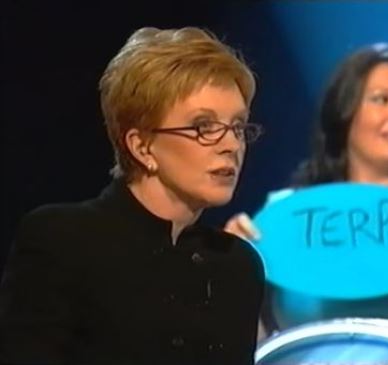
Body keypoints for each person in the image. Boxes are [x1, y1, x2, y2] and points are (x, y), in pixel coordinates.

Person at [0, 26, 265, 365]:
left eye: (238, 127)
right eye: (203, 127)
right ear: (141, 146)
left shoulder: (237, 266)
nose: (231, 145)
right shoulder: (63, 240)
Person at [225, 43, 388, 362]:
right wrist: (236, 277)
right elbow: (255, 347)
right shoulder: (286, 217)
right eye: (382, 99)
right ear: (345, 110)